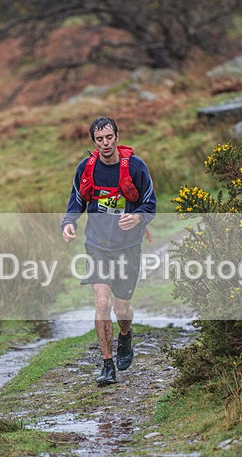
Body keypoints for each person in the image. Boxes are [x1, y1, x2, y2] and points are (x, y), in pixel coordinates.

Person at [61, 116, 156, 386]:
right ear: (94, 141)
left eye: (109, 138)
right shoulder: (86, 168)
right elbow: (75, 203)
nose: (105, 143)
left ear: (116, 137)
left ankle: (125, 336)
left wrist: (137, 217)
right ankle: (107, 364)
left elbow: (150, 204)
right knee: (101, 302)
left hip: (127, 246)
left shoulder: (135, 167)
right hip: (97, 244)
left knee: (121, 306)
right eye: (99, 139)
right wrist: (68, 224)